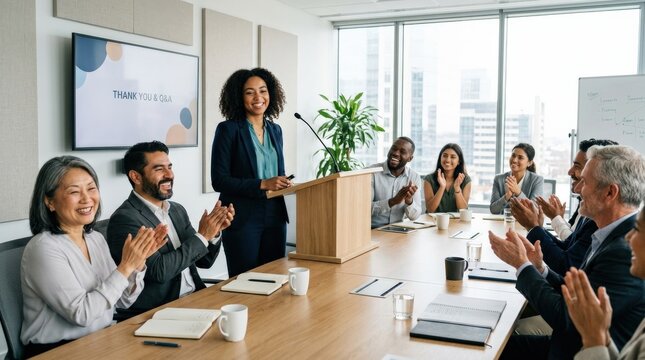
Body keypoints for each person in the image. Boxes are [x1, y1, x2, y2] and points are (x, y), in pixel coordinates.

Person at [489, 145, 645, 359]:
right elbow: (576, 297)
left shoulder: (624, 251)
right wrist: (540, 268)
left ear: (610, 192)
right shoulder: (606, 232)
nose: (578, 188)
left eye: (585, 182)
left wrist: (522, 265)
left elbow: (567, 318)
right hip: (567, 346)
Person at [21, 156, 167, 357]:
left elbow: (123, 301)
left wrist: (137, 264)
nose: (87, 198)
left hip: (101, 341)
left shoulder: (95, 238)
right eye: (74, 191)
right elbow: (82, 315)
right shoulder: (43, 248)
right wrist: (125, 267)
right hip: (58, 352)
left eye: (91, 188)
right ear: (50, 202)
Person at [108, 141, 234, 316]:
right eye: (159, 169)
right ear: (136, 177)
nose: (170, 175)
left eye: (170, 167)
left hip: (196, 297)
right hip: (159, 311)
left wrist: (213, 233)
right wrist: (203, 236)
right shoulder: (125, 219)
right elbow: (159, 271)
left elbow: (204, 262)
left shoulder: (176, 210)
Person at [211, 68, 291, 277]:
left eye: (263, 91)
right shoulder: (228, 130)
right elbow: (219, 180)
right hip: (243, 216)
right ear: (239, 97)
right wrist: (262, 184)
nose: (258, 97)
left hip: (275, 214)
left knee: (274, 277)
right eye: (250, 92)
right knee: (244, 280)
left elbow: (277, 172)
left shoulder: (276, 130)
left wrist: (282, 182)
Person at [509, 139, 617, 275]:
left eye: (577, 166)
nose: (569, 171)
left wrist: (534, 227)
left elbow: (567, 265)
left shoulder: (600, 219)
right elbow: (568, 246)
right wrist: (536, 228)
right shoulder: (589, 211)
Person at [562, 206, 645, 359]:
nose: (628, 237)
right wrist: (602, 337)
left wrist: (593, 340)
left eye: (637, 229)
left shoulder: (619, 252)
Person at [536, 139, 617, 240]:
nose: (570, 172)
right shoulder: (583, 201)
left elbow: (570, 250)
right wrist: (557, 218)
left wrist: (537, 226)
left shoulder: (597, 210)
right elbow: (573, 237)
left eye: (577, 166)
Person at [371, 136, 423, 228]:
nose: (395, 153)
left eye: (402, 152)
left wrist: (409, 201)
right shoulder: (372, 173)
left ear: (410, 158)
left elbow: (414, 216)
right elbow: (363, 209)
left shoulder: (414, 177)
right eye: (393, 148)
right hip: (372, 230)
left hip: (398, 231)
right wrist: (393, 201)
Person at [490, 143, 544, 214]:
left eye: (520, 157)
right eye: (513, 155)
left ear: (529, 163)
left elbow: (534, 211)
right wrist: (507, 196)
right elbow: (493, 210)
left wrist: (518, 192)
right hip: (505, 223)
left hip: (526, 224)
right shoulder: (499, 179)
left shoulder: (537, 180)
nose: (514, 160)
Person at [423, 143, 471, 213]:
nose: (448, 160)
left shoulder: (466, 180)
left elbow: (463, 211)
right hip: (433, 222)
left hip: (456, 223)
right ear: (440, 158)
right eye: (445, 156)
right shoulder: (429, 179)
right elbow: (430, 210)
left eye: (453, 157)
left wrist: (457, 189)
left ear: (459, 161)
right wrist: (442, 187)